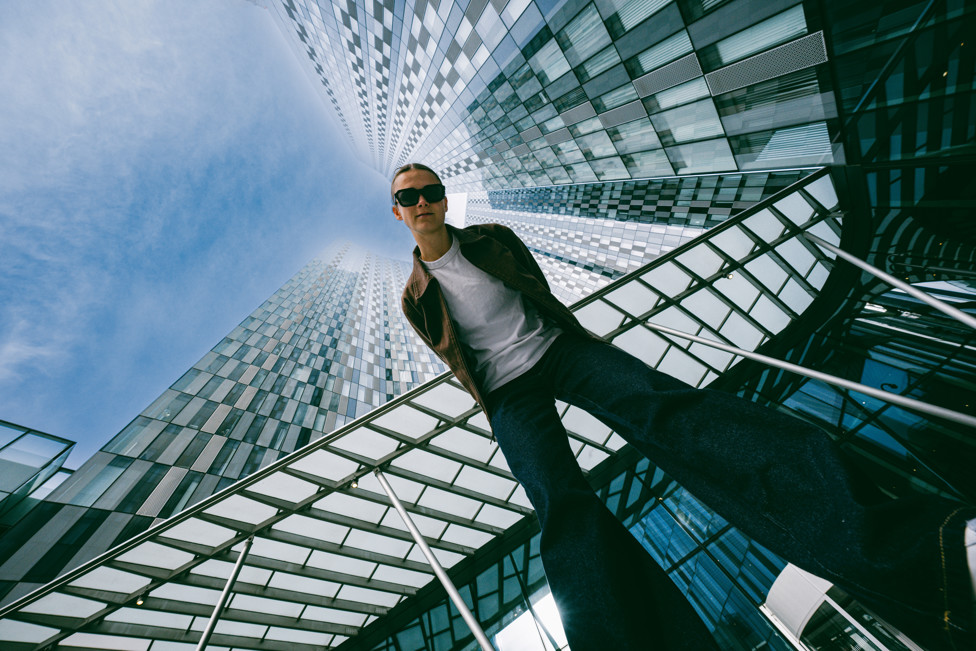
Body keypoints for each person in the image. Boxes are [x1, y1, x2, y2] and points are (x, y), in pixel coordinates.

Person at [391, 162, 976, 650]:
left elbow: (534, 286)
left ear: (444, 200)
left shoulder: (492, 237)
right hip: (505, 393)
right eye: (408, 197)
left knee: (670, 411)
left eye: (430, 191)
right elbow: (453, 355)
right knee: (561, 502)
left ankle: (928, 554)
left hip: (558, 349)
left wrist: (561, 336)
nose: (421, 202)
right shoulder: (414, 296)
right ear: (399, 212)